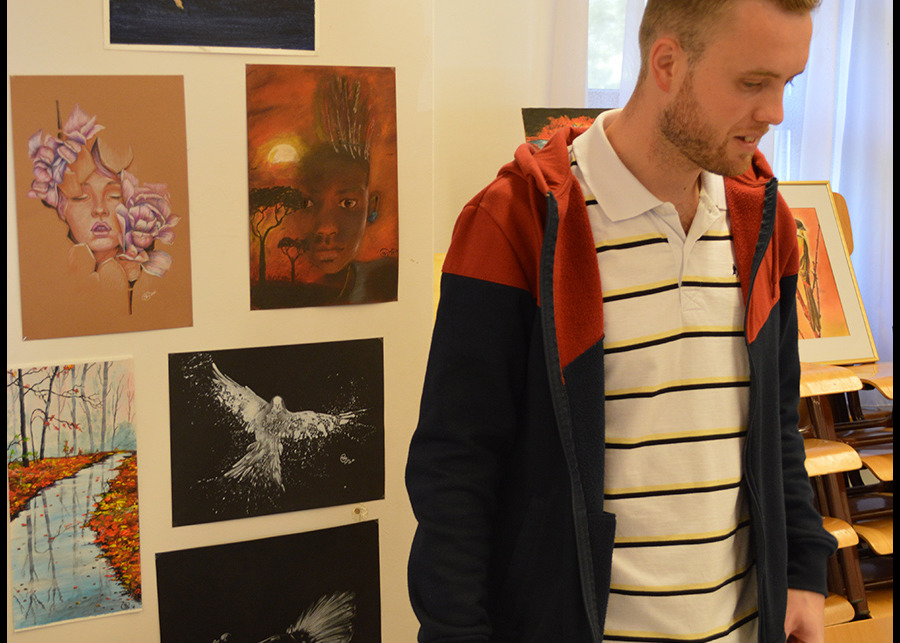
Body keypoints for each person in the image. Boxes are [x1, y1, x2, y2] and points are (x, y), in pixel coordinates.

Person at [406, 1, 837, 641]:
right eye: (753, 82)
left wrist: (802, 567)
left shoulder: (764, 223)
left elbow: (777, 426)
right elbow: (456, 467)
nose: (774, 113)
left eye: (787, 84)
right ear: (667, 63)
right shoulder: (516, 222)